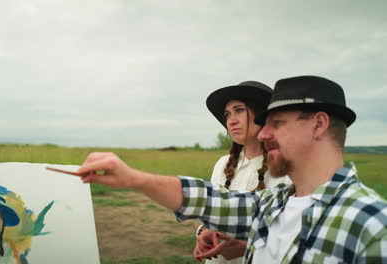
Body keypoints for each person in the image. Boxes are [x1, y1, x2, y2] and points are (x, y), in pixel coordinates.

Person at [72, 75, 387, 263]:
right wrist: (132, 178)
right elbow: (208, 200)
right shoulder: (272, 205)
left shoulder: (373, 227)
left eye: (276, 123)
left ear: (319, 124)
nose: (264, 132)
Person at [195, 81, 291, 263]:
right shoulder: (223, 164)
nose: (231, 120)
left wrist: (246, 248)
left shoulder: (285, 172)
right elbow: (208, 216)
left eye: (239, 110)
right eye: (227, 114)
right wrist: (203, 233)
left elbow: (292, 237)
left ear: (263, 114)